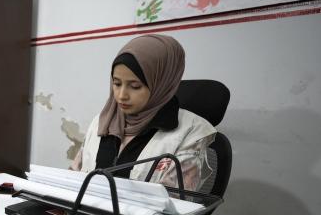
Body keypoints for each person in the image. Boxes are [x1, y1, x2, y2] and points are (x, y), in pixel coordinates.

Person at [71, 34, 215, 191]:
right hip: (84, 213)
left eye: (135, 86)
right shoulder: (102, 121)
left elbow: (172, 204)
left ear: (161, 84)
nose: (121, 96)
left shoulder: (190, 133)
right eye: (117, 83)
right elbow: (74, 178)